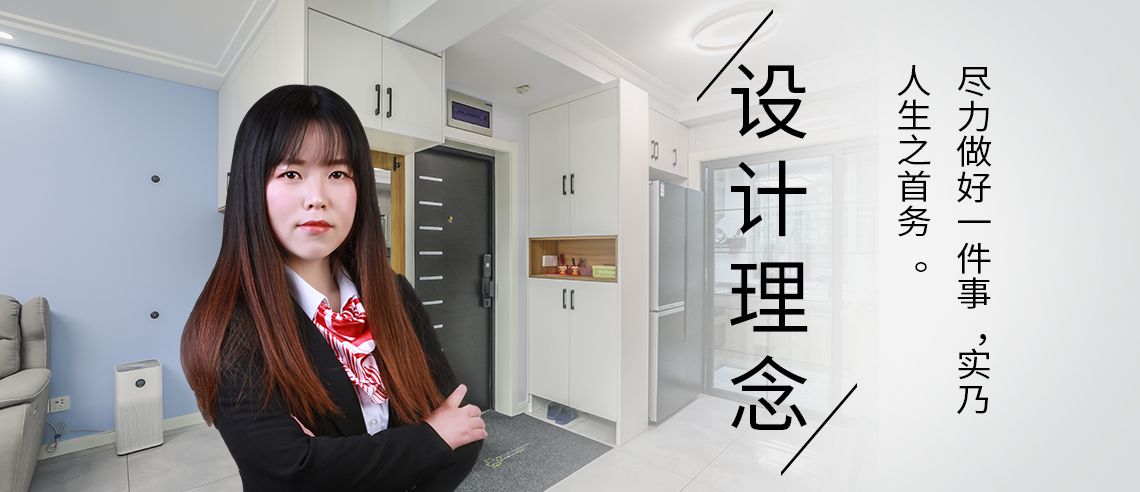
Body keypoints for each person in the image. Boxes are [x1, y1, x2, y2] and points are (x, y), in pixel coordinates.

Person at [180, 84, 484, 491]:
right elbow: (292, 474)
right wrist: (431, 437)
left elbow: (464, 434)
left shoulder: (394, 294)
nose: (317, 198)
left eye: (338, 173)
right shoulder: (228, 327)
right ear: (252, 188)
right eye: (291, 173)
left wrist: (333, 460)